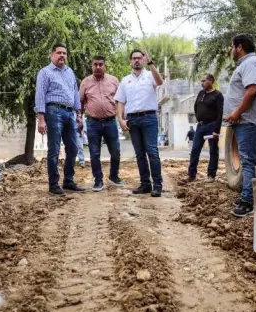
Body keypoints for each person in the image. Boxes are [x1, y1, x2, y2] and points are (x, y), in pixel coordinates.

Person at [224, 34, 256, 217]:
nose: (231, 50)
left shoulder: (250, 64)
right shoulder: (246, 64)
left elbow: (252, 90)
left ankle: (248, 203)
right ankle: (248, 197)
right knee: (248, 159)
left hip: (248, 120)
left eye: (231, 47)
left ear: (239, 47)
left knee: (248, 161)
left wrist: (236, 112)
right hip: (245, 120)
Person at [35, 43, 85, 196]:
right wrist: (41, 118)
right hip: (53, 111)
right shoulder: (45, 72)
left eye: (64, 53)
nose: (62, 55)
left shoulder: (70, 72)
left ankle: (68, 181)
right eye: (59, 53)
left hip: (70, 113)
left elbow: (75, 94)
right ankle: (53, 184)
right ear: (52, 55)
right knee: (54, 149)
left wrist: (79, 115)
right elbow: (40, 95)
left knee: (73, 148)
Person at [115, 49, 164, 197]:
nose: (137, 60)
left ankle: (157, 185)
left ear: (143, 60)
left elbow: (160, 81)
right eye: (134, 58)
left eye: (139, 58)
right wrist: (121, 119)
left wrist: (151, 63)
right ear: (130, 61)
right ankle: (145, 184)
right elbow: (120, 102)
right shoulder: (125, 80)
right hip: (132, 120)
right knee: (139, 154)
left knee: (152, 152)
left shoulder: (150, 76)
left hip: (149, 118)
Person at [79, 55, 125, 191]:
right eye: (95, 64)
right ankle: (98, 180)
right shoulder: (85, 82)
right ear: (92, 66)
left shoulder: (114, 81)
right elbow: (80, 102)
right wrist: (79, 118)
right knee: (94, 153)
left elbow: (121, 100)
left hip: (111, 122)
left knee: (115, 151)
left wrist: (122, 118)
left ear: (105, 66)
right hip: (93, 123)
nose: (98, 67)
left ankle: (113, 176)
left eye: (100, 64)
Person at [180, 73, 224, 185]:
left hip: (212, 125)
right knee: (195, 149)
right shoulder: (201, 93)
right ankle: (191, 174)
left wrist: (216, 130)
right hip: (200, 126)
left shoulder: (218, 95)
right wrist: (200, 117)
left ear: (211, 81)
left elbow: (220, 114)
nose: (202, 83)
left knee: (213, 150)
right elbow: (196, 107)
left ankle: (211, 175)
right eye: (201, 81)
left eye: (204, 81)